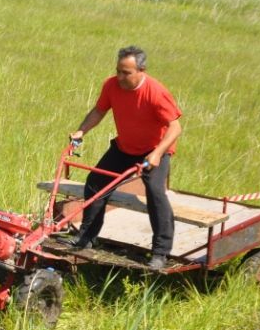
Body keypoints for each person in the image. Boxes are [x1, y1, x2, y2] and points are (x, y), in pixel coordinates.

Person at [67, 45, 182, 270]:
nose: (120, 76)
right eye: (118, 70)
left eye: (126, 73)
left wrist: (157, 153)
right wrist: (81, 131)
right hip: (125, 147)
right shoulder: (111, 85)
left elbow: (175, 127)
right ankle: (86, 237)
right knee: (96, 182)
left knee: (155, 193)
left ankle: (160, 252)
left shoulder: (156, 92)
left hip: (154, 150)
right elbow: (99, 111)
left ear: (141, 70)